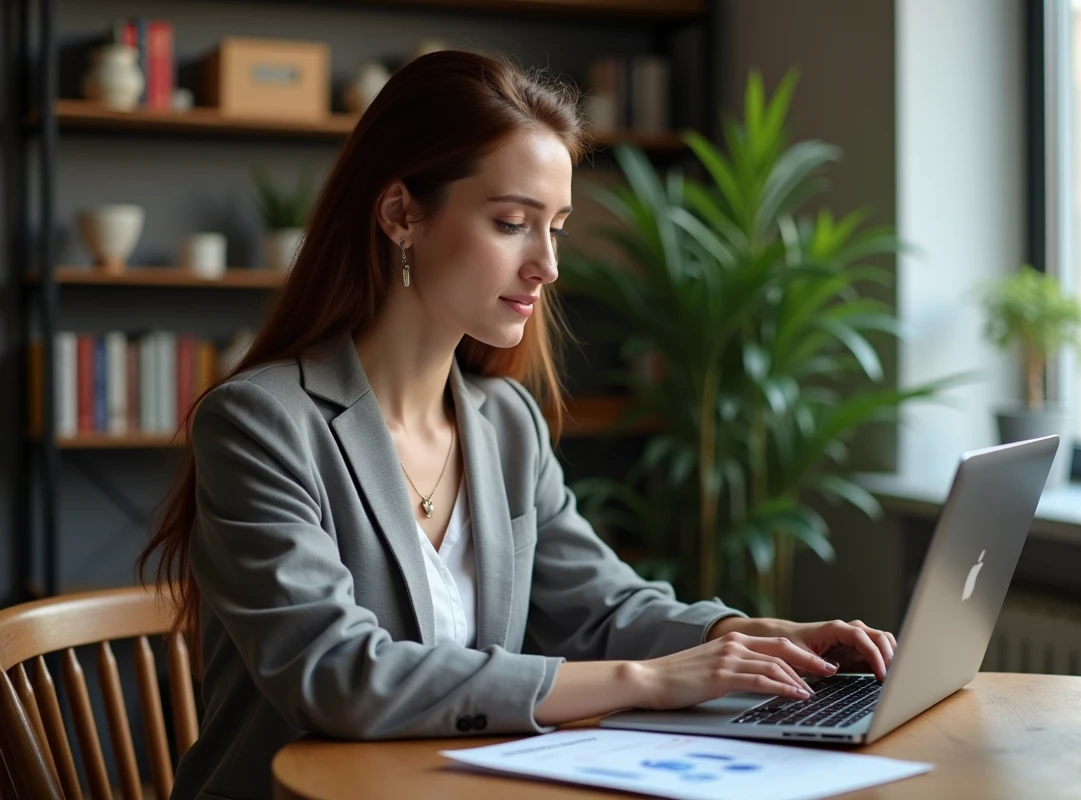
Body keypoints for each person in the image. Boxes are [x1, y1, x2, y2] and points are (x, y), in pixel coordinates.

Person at [138, 50, 897, 800]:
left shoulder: (505, 423)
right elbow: (337, 674)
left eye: (556, 228)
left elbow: (603, 608)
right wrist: (648, 681)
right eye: (511, 223)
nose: (548, 265)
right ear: (402, 214)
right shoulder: (260, 423)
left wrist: (744, 635)